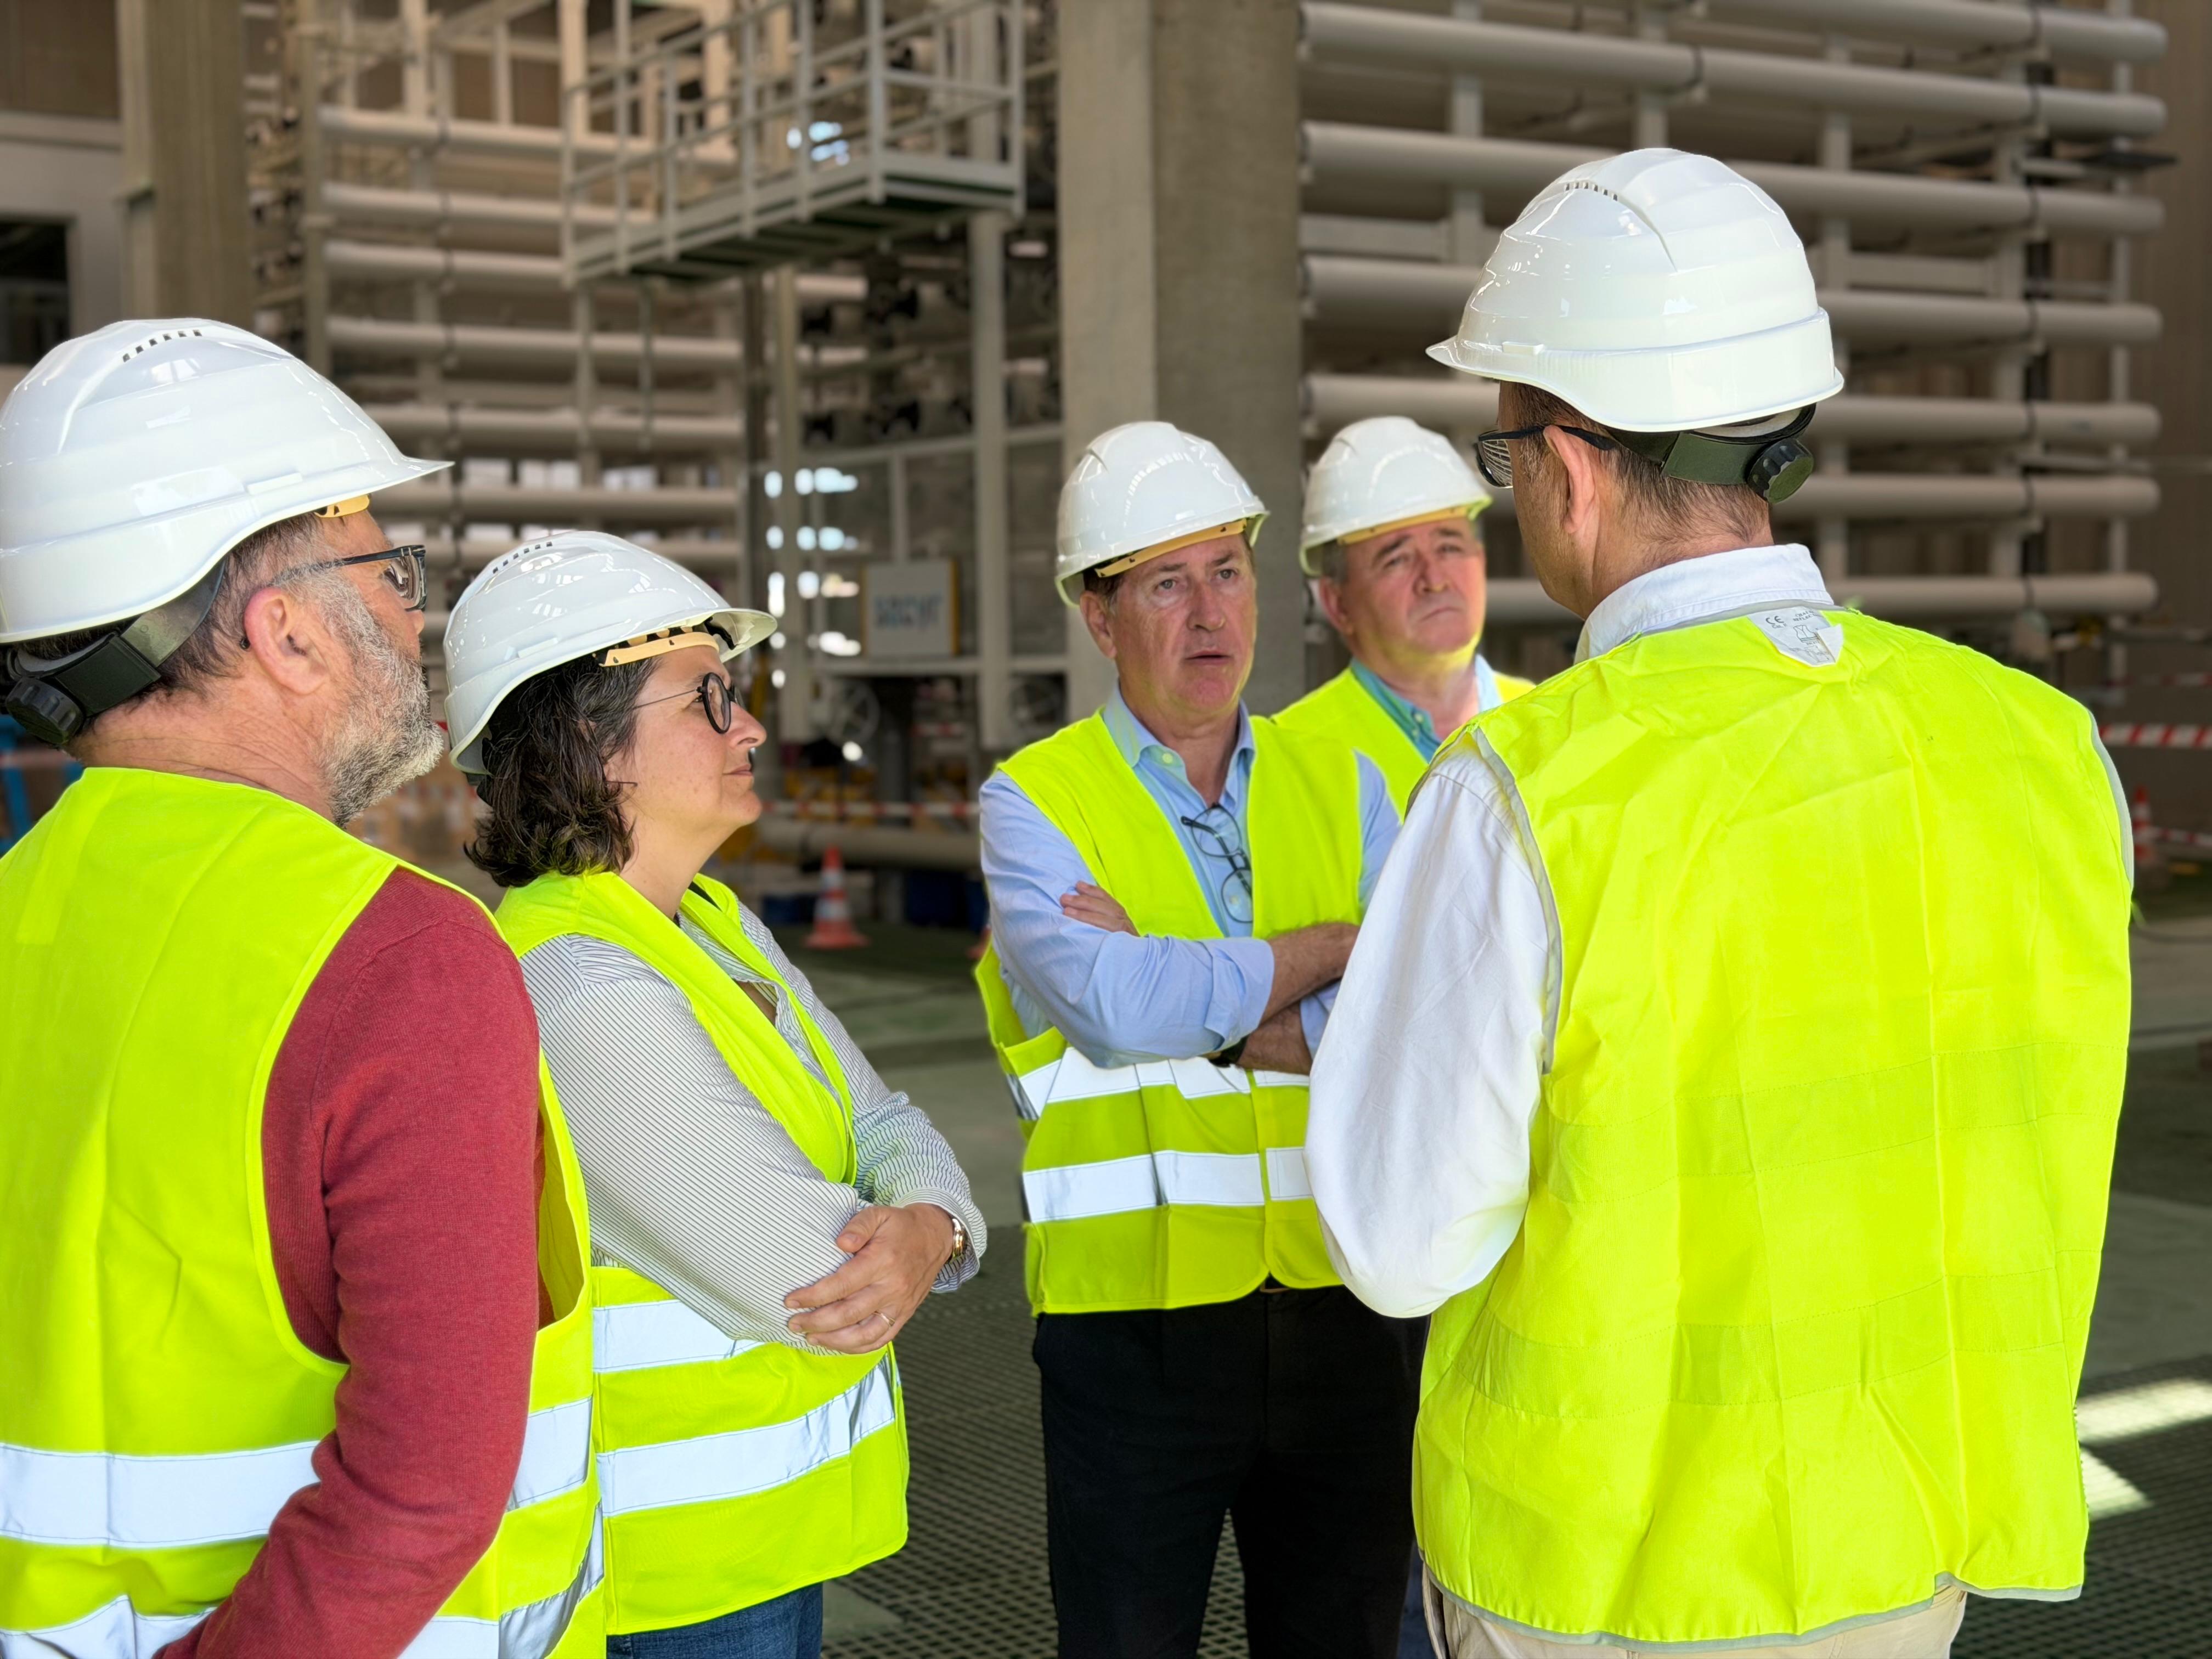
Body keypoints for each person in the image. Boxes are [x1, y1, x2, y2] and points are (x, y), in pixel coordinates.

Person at [1308, 150, 2134, 1659]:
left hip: (1605, 1584)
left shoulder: (1532, 792)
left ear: (1562, 466)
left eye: (1499, 468)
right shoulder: (2040, 747)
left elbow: (1402, 1244)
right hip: (1908, 1548)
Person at [0, 320, 602, 1658]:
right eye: (387, 570)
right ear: (286, 634)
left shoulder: (19, 907)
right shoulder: (397, 955)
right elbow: (427, 1488)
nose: (413, 610)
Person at [442, 530, 988, 1659]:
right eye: (710, 700)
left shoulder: (706, 924)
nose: (748, 729)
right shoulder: (577, 981)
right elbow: (809, 1284)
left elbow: (889, 1118)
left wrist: (929, 1224)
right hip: (668, 1581)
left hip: (754, 1550)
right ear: (596, 751)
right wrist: (923, 1229)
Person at [973, 420, 1417, 1659]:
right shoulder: (1034, 804)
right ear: (1099, 616)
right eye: (1164, 582)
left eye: (1227, 571)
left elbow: (1405, 1028)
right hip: (1133, 1335)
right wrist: (1327, 953)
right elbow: (1110, 1006)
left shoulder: (1350, 784)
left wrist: (1194, 1006)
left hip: (1345, 1308)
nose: (1207, 610)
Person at [1276, 416, 1532, 806]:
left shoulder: (1548, 716)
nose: (1434, 579)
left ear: (1480, 561)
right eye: (1397, 560)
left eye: (1449, 547)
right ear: (1337, 603)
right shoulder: (1287, 756)